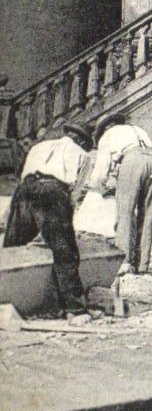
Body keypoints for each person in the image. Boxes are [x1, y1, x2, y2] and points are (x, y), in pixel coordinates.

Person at [3, 119, 95, 317]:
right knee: (65, 252)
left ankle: (5, 299)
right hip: (53, 191)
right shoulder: (83, 155)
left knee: (12, 246)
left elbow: (23, 177)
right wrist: (62, 227)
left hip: (25, 189)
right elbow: (74, 195)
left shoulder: (40, 146)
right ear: (82, 141)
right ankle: (75, 309)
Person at [91, 117, 152, 274]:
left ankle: (124, 262)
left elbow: (101, 171)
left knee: (125, 213)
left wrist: (97, 188)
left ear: (105, 129)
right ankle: (143, 265)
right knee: (147, 214)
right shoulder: (137, 130)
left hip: (132, 160)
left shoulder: (108, 136)